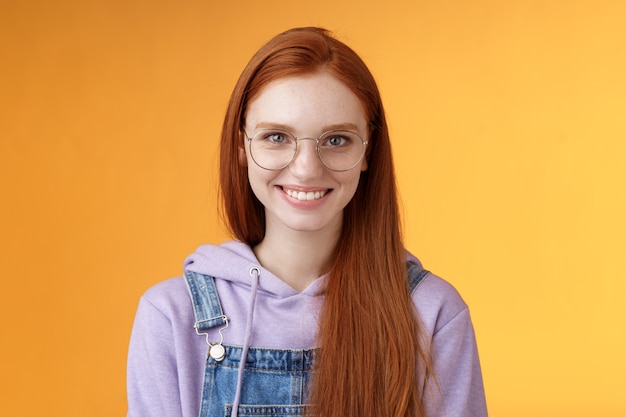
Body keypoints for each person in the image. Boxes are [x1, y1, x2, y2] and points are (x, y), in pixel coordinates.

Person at [127, 27, 488, 417]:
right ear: (241, 148)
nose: (305, 169)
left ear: (368, 152)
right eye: (277, 136)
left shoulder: (431, 314)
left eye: (336, 140)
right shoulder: (172, 316)